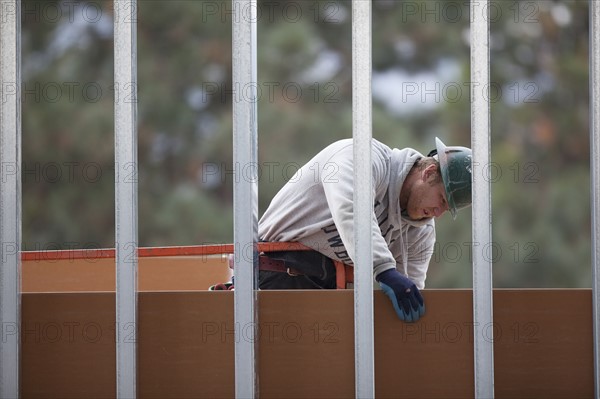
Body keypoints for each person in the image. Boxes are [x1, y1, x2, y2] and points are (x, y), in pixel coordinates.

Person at [256, 137, 472, 323]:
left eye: (447, 209)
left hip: (330, 294)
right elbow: (351, 209)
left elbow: (410, 291)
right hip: (276, 275)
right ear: (429, 172)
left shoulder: (420, 232)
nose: (438, 213)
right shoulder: (362, 156)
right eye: (442, 199)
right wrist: (385, 269)